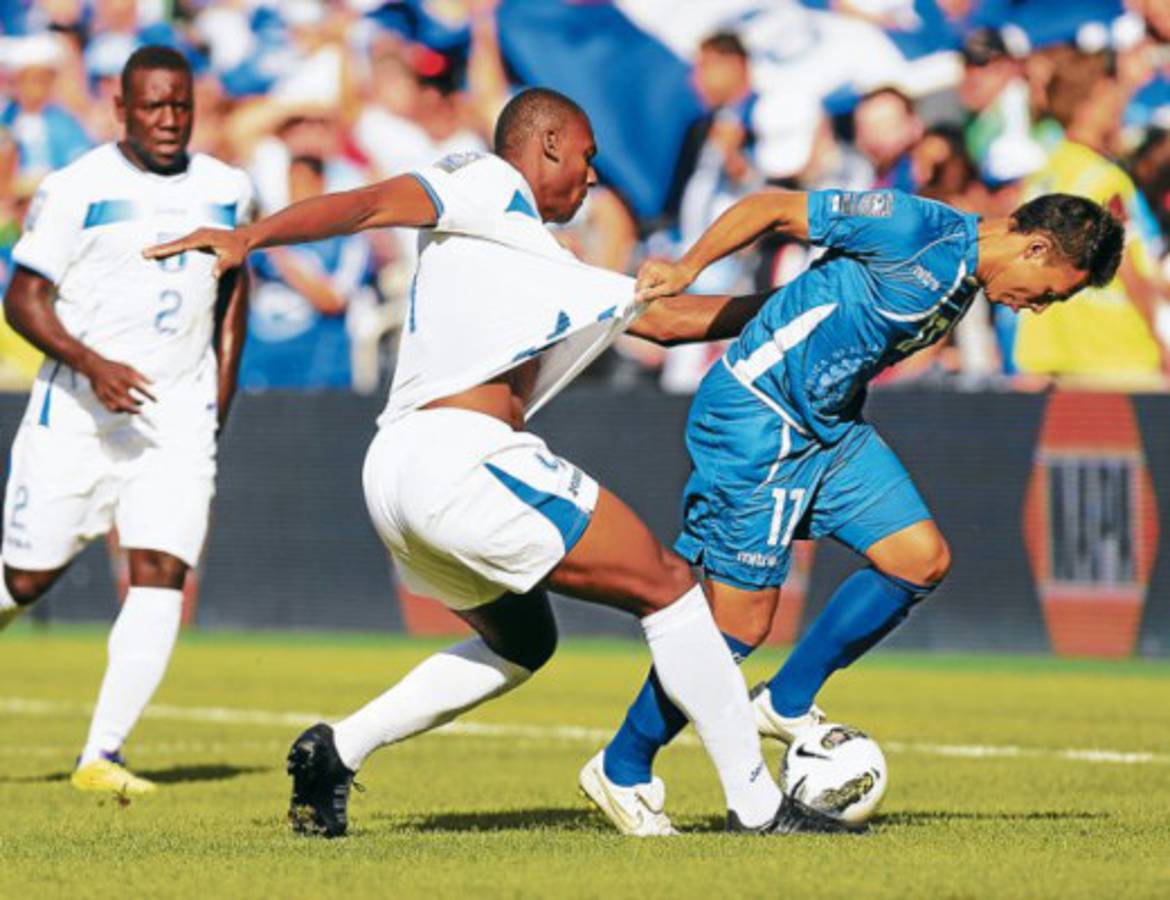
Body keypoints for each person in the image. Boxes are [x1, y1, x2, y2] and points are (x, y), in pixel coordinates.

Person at [146, 87, 839, 838]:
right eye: (587, 157)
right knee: (671, 589)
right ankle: (760, 808)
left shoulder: (537, 255)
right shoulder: (484, 182)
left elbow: (670, 320)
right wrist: (254, 237)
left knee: (526, 642)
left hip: (398, 473)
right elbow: (373, 203)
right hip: (460, 460)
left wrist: (810, 302)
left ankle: (337, 750)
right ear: (546, 145)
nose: (594, 176)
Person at [581, 186, 1124, 834]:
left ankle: (784, 703)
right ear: (1035, 247)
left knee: (918, 559)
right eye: (1050, 292)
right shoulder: (912, 228)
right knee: (739, 626)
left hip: (832, 431)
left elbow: (820, 306)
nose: (1039, 308)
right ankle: (623, 768)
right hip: (759, 421)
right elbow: (774, 207)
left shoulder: (962, 280)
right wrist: (686, 268)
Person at [0, 46, 252, 795]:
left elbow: (233, 296)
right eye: (153, 106)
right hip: (76, 412)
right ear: (122, 108)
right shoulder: (77, 187)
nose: (169, 120)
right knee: (26, 577)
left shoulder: (229, 188)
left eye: (180, 106)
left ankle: (101, 756)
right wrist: (93, 364)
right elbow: (22, 298)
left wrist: (214, 409)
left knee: (161, 571)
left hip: (175, 416)